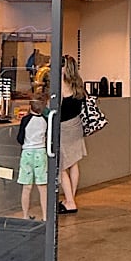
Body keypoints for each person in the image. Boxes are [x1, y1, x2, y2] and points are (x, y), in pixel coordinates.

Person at [58, 54, 85, 213]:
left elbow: (57, 107)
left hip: (64, 128)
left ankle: (70, 202)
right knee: (74, 163)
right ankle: (70, 198)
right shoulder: (78, 84)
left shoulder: (61, 85)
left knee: (61, 167)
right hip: (76, 125)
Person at [15, 94, 48, 221]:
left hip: (27, 153)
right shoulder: (45, 120)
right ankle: (45, 216)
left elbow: (20, 138)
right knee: (42, 187)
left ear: (30, 106)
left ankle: (25, 215)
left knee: (27, 186)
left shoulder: (26, 120)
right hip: (41, 152)